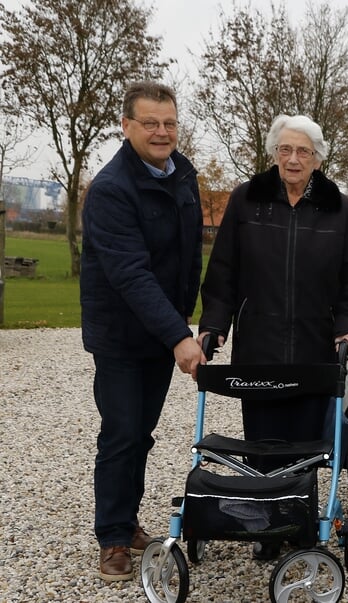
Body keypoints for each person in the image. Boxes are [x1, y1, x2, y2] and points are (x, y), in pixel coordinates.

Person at [198, 114, 348, 560]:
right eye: (285, 150)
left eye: (303, 152)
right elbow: (223, 274)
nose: (293, 159)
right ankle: (266, 528)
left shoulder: (341, 209)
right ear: (274, 153)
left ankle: (298, 525)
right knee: (262, 445)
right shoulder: (246, 201)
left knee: (305, 450)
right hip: (259, 348)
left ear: (317, 159)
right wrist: (213, 325)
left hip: (315, 351)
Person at [80, 81, 204, 581]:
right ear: (127, 126)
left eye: (169, 123)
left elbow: (190, 255)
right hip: (121, 337)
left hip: (160, 329)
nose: (161, 132)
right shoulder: (111, 190)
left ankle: (127, 520)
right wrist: (179, 336)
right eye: (150, 123)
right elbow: (131, 273)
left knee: (141, 434)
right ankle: (112, 536)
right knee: (122, 433)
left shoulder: (183, 177)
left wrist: (191, 321)